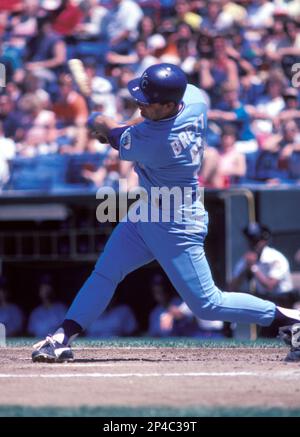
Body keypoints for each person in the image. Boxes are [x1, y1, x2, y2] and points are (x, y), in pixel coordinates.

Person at [32, 63, 300, 363]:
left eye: (147, 102)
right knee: (106, 272)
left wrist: (99, 122)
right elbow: (131, 126)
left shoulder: (155, 143)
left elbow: (115, 132)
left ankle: (291, 321)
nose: (140, 105)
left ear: (170, 104)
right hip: (147, 213)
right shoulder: (195, 98)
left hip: (175, 224)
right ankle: (62, 336)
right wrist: (112, 127)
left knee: (208, 304)